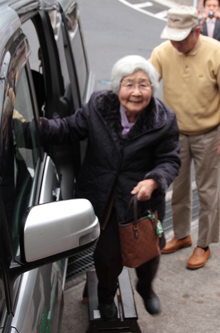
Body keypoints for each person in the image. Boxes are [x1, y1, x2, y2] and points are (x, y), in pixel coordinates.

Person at [40, 55, 181, 321]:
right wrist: (37, 128)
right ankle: (106, 296)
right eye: (129, 84)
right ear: (118, 87)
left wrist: (153, 181)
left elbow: (170, 160)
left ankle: (145, 287)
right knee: (107, 256)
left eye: (144, 84)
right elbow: (69, 128)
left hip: (140, 202)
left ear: (152, 87)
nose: (136, 92)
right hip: (103, 197)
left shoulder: (164, 120)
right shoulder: (98, 106)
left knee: (148, 254)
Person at [149, 6, 220, 270]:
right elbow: (145, 84)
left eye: (181, 38)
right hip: (175, 134)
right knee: (178, 188)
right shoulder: (163, 52)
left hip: (209, 134)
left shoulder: (215, 51)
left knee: (209, 190)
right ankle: (181, 235)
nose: (175, 43)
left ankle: (204, 244)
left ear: (197, 31)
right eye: (172, 37)